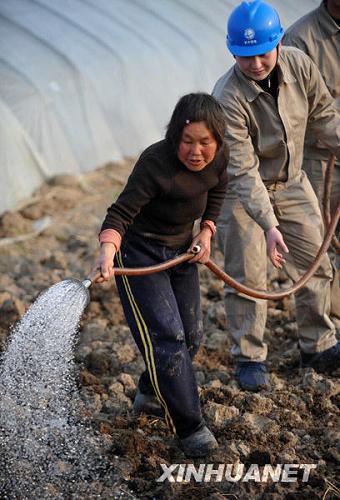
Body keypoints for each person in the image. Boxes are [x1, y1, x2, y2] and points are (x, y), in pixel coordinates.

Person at [212, 0, 340, 392]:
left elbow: (322, 114)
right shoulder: (227, 97)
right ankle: (249, 357)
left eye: (262, 54)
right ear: (233, 52)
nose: (255, 64)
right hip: (243, 193)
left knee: (315, 262)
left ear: (279, 43)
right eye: (245, 57)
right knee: (249, 276)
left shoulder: (300, 65)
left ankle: (317, 345)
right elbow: (243, 171)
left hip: (292, 180)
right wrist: (268, 225)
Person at [92, 93, 229, 457]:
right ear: (174, 137)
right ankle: (190, 427)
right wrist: (107, 251)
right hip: (140, 253)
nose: (196, 151)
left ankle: (152, 392)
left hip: (183, 250)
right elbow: (119, 213)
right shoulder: (156, 163)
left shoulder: (220, 158)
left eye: (205, 143)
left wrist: (207, 230)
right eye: (187, 141)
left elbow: (217, 189)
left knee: (193, 336)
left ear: (217, 140)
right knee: (167, 336)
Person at [284, 0, 340, 327]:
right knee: (317, 250)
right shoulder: (301, 39)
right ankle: (319, 338)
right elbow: (294, 112)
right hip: (319, 162)